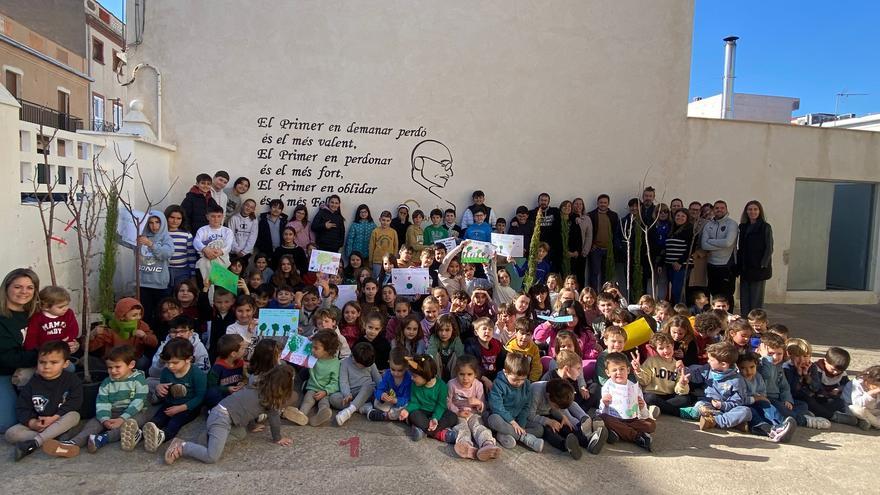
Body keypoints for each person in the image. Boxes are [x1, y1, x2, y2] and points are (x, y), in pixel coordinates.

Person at [165, 364, 294, 465]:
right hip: (221, 418)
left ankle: (206, 439)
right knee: (211, 457)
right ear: (284, 385)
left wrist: (252, 425)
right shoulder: (270, 399)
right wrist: (278, 438)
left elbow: (246, 409)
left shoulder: (256, 385)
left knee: (241, 433)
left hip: (222, 415)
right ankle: (182, 446)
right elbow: (274, 420)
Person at [5, 341, 82, 460]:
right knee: (11, 434)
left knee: (74, 416)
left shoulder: (72, 380)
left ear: (65, 364)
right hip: (39, 424)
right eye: (42, 362)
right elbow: (22, 407)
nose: (46, 366)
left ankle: (35, 442)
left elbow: (75, 402)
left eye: (54, 362)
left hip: (59, 420)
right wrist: (32, 423)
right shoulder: (33, 383)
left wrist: (55, 417)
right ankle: (54, 439)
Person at [68, 344, 150, 453]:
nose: (113, 371)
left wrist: (122, 419)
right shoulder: (107, 382)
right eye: (110, 368)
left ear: (131, 365)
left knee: (131, 425)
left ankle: (102, 439)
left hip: (133, 412)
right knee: (94, 423)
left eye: (117, 367)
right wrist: (104, 419)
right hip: (112, 411)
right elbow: (102, 401)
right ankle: (74, 443)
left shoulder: (139, 379)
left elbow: (139, 401)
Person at [142, 338, 208, 453]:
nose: (170, 366)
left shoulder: (197, 374)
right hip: (169, 403)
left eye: (175, 362)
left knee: (174, 424)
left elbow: (200, 397)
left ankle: (160, 438)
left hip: (188, 407)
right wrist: (159, 389)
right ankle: (139, 434)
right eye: (168, 362)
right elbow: (163, 395)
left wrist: (180, 408)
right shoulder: (166, 372)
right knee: (156, 420)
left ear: (188, 359)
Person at [446, 354, 501, 460]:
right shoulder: (451, 384)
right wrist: (457, 412)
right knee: (462, 428)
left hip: (473, 414)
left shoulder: (478, 385)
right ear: (456, 373)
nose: (465, 378)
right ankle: (466, 446)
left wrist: (479, 403)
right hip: (458, 414)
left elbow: (483, 406)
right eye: (461, 374)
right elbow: (447, 402)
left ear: (475, 374)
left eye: (469, 374)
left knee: (478, 426)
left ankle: (487, 444)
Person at [597, 351, 655, 451]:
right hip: (614, 418)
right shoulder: (607, 386)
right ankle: (637, 437)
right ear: (608, 373)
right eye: (614, 370)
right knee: (603, 418)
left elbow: (644, 415)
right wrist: (604, 403)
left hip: (631, 420)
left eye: (622, 369)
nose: (618, 372)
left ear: (628, 370)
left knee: (651, 425)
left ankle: (618, 433)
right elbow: (602, 410)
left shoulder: (634, 387)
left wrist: (642, 407)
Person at [688, 342, 752, 431]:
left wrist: (722, 405)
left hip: (727, 408)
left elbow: (738, 401)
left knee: (745, 411)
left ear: (723, 364)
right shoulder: (707, 369)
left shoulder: (737, 381)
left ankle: (714, 421)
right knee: (699, 406)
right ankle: (733, 422)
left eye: (711, 359)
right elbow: (696, 376)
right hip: (708, 403)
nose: (708, 361)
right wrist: (686, 373)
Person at [399, 354, 457, 442]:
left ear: (426, 375)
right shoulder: (415, 384)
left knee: (453, 417)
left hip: (437, 412)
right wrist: (407, 410)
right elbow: (415, 402)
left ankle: (423, 430)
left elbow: (441, 405)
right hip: (422, 411)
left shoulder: (442, 386)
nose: (411, 378)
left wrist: (435, 418)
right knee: (413, 415)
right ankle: (440, 434)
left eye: (415, 376)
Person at [90, 298, 158, 371]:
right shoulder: (112, 327)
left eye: (140, 314)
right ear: (122, 316)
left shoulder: (141, 325)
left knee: (143, 362)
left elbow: (154, 343)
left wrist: (144, 336)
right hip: (115, 362)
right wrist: (92, 334)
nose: (138, 318)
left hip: (133, 360)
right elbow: (90, 347)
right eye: (134, 315)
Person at [632, 333, 690, 417]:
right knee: (650, 398)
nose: (666, 351)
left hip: (668, 396)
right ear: (655, 350)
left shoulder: (677, 364)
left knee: (685, 399)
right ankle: (680, 413)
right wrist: (638, 370)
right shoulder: (651, 361)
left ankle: (656, 408)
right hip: (653, 394)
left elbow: (679, 390)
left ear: (673, 346)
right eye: (661, 348)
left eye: (668, 346)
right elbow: (644, 381)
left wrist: (682, 384)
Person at [136, 213, 174, 326]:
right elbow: (123, 240)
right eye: (151, 222)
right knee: (145, 315)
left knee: (162, 316)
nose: (154, 226)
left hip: (160, 284)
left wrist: (150, 244)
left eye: (157, 222)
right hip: (143, 284)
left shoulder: (166, 238)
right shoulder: (141, 237)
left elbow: (166, 254)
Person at [737, 200, 773, 316]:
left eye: (755, 209)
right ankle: (744, 322)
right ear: (746, 212)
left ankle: (756, 323)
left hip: (758, 268)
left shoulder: (765, 227)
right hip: (745, 267)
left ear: (759, 211)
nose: (752, 212)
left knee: (756, 299)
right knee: (744, 298)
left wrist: (763, 264)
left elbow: (769, 248)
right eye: (750, 209)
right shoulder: (743, 227)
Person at [298, 330, 341, 426]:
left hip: (325, 391)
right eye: (312, 347)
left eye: (316, 348)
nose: (312, 350)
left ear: (328, 350)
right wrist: (307, 341)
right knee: (307, 400)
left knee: (324, 403)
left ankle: (321, 415)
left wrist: (325, 391)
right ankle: (301, 415)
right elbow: (298, 353)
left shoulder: (335, 363)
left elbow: (335, 382)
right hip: (312, 388)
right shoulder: (312, 356)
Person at [701, 200, 738, 310]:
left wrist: (711, 241)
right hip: (712, 264)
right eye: (717, 208)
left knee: (726, 296)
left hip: (727, 266)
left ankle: (728, 320)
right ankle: (716, 319)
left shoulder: (732, 224)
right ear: (713, 210)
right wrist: (720, 243)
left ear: (726, 209)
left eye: (722, 208)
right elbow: (704, 245)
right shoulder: (709, 225)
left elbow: (728, 242)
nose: (719, 210)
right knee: (715, 295)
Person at [333, 342, 381, 425]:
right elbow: (343, 381)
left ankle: (349, 411)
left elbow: (378, 380)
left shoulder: (370, 364)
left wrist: (383, 392)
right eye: (362, 365)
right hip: (352, 394)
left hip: (367, 392)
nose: (363, 367)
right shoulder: (345, 363)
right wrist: (347, 394)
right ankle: (363, 408)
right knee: (333, 398)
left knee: (370, 385)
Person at [23, 286, 79, 355]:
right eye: (61, 307)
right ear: (46, 307)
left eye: (67, 305)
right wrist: (32, 351)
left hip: (63, 350)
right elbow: (31, 336)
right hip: (44, 352)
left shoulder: (68, 314)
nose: (65, 308)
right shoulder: (37, 318)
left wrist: (69, 340)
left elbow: (73, 329)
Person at [193, 204, 235, 287]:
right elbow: (196, 242)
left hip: (222, 264)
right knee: (205, 288)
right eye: (213, 216)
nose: (216, 219)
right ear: (207, 217)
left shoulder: (227, 231)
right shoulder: (202, 230)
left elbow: (228, 245)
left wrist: (220, 252)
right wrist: (205, 249)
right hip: (205, 264)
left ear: (223, 216)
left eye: (219, 216)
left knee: (219, 289)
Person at [367, 347, 413, 422]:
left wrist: (396, 401)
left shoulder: (409, 378)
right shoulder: (388, 374)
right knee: (377, 402)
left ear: (406, 367)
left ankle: (385, 416)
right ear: (389, 363)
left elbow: (407, 398)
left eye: (400, 370)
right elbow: (380, 389)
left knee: (406, 407)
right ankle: (392, 415)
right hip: (389, 404)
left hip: (400, 404)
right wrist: (382, 395)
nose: (396, 373)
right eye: (393, 369)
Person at [587, 194, 622, 291]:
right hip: (596, 249)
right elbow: (588, 232)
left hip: (609, 250)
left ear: (608, 203)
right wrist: (591, 244)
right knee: (594, 273)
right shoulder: (591, 215)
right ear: (597, 203)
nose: (603, 204)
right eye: (601, 202)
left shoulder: (613, 215)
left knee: (607, 274)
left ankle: (604, 295)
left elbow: (616, 232)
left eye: (605, 202)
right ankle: (593, 294)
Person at [204, 334, 247, 409]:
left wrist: (243, 383)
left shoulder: (240, 363)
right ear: (233, 354)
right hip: (222, 396)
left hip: (235, 395)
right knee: (212, 393)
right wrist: (227, 389)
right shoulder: (217, 368)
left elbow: (245, 378)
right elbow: (211, 387)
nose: (245, 350)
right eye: (243, 349)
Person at [665, 208, 693, 305]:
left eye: (683, 216)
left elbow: (690, 248)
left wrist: (680, 262)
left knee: (678, 291)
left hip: (682, 265)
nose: (680, 218)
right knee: (673, 291)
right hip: (670, 265)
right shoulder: (671, 229)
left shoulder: (689, 229)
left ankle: (681, 312)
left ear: (687, 218)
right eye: (678, 215)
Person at [843, 365, 880, 430]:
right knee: (856, 410)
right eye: (876, 386)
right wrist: (871, 393)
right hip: (854, 408)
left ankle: (868, 422)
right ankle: (875, 423)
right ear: (869, 381)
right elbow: (857, 404)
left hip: (872, 411)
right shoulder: (857, 384)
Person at [529, 193, 560, 268]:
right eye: (541, 200)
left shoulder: (555, 211)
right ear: (538, 201)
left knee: (549, 267)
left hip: (551, 246)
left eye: (545, 200)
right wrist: (514, 221)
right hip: (538, 246)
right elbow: (521, 216)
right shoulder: (532, 213)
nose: (543, 202)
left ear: (548, 202)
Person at [570, 198, 593, 290]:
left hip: (582, 252)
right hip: (570, 252)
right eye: (576, 204)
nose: (578, 206)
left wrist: (585, 251)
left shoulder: (587, 219)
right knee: (570, 275)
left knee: (580, 275)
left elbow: (589, 236)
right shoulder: (569, 217)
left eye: (580, 204)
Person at [228, 199, 259, 267]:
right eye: (247, 205)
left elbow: (253, 237)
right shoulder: (234, 218)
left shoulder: (254, 220)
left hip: (246, 253)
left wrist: (244, 251)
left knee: (242, 272)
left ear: (253, 210)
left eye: (251, 207)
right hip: (234, 252)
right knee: (232, 271)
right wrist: (237, 250)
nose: (248, 208)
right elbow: (230, 235)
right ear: (242, 205)